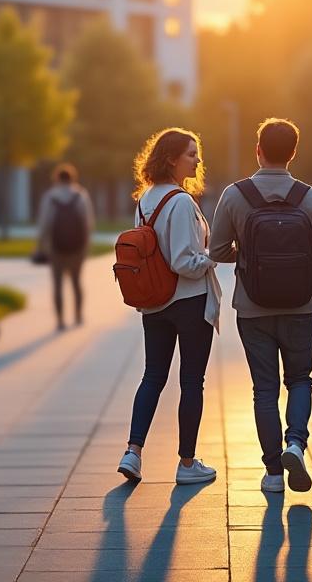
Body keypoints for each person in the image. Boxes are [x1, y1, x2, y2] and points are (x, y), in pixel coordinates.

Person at [209, 118, 312, 494]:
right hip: (299, 308)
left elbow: (216, 251)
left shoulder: (235, 195)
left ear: (258, 150)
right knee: (300, 379)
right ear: (293, 153)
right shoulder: (311, 198)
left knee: (264, 389)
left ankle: (273, 473)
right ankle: (295, 443)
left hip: (252, 308)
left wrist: (249, 257)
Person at [117, 128, 222, 487]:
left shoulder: (145, 199)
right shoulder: (180, 201)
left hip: (154, 303)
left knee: (153, 376)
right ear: (173, 158)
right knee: (192, 380)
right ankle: (187, 463)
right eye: (191, 153)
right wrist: (214, 258)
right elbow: (183, 261)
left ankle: (133, 451)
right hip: (189, 302)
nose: (197, 159)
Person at [35, 163, 95, 331]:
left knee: (57, 284)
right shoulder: (81, 195)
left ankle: (60, 320)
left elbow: (44, 223)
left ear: (56, 178)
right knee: (76, 282)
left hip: (56, 247)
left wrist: (40, 245)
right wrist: (86, 244)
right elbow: (88, 222)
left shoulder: (50, 197)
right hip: (77, 247)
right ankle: (78, 315)